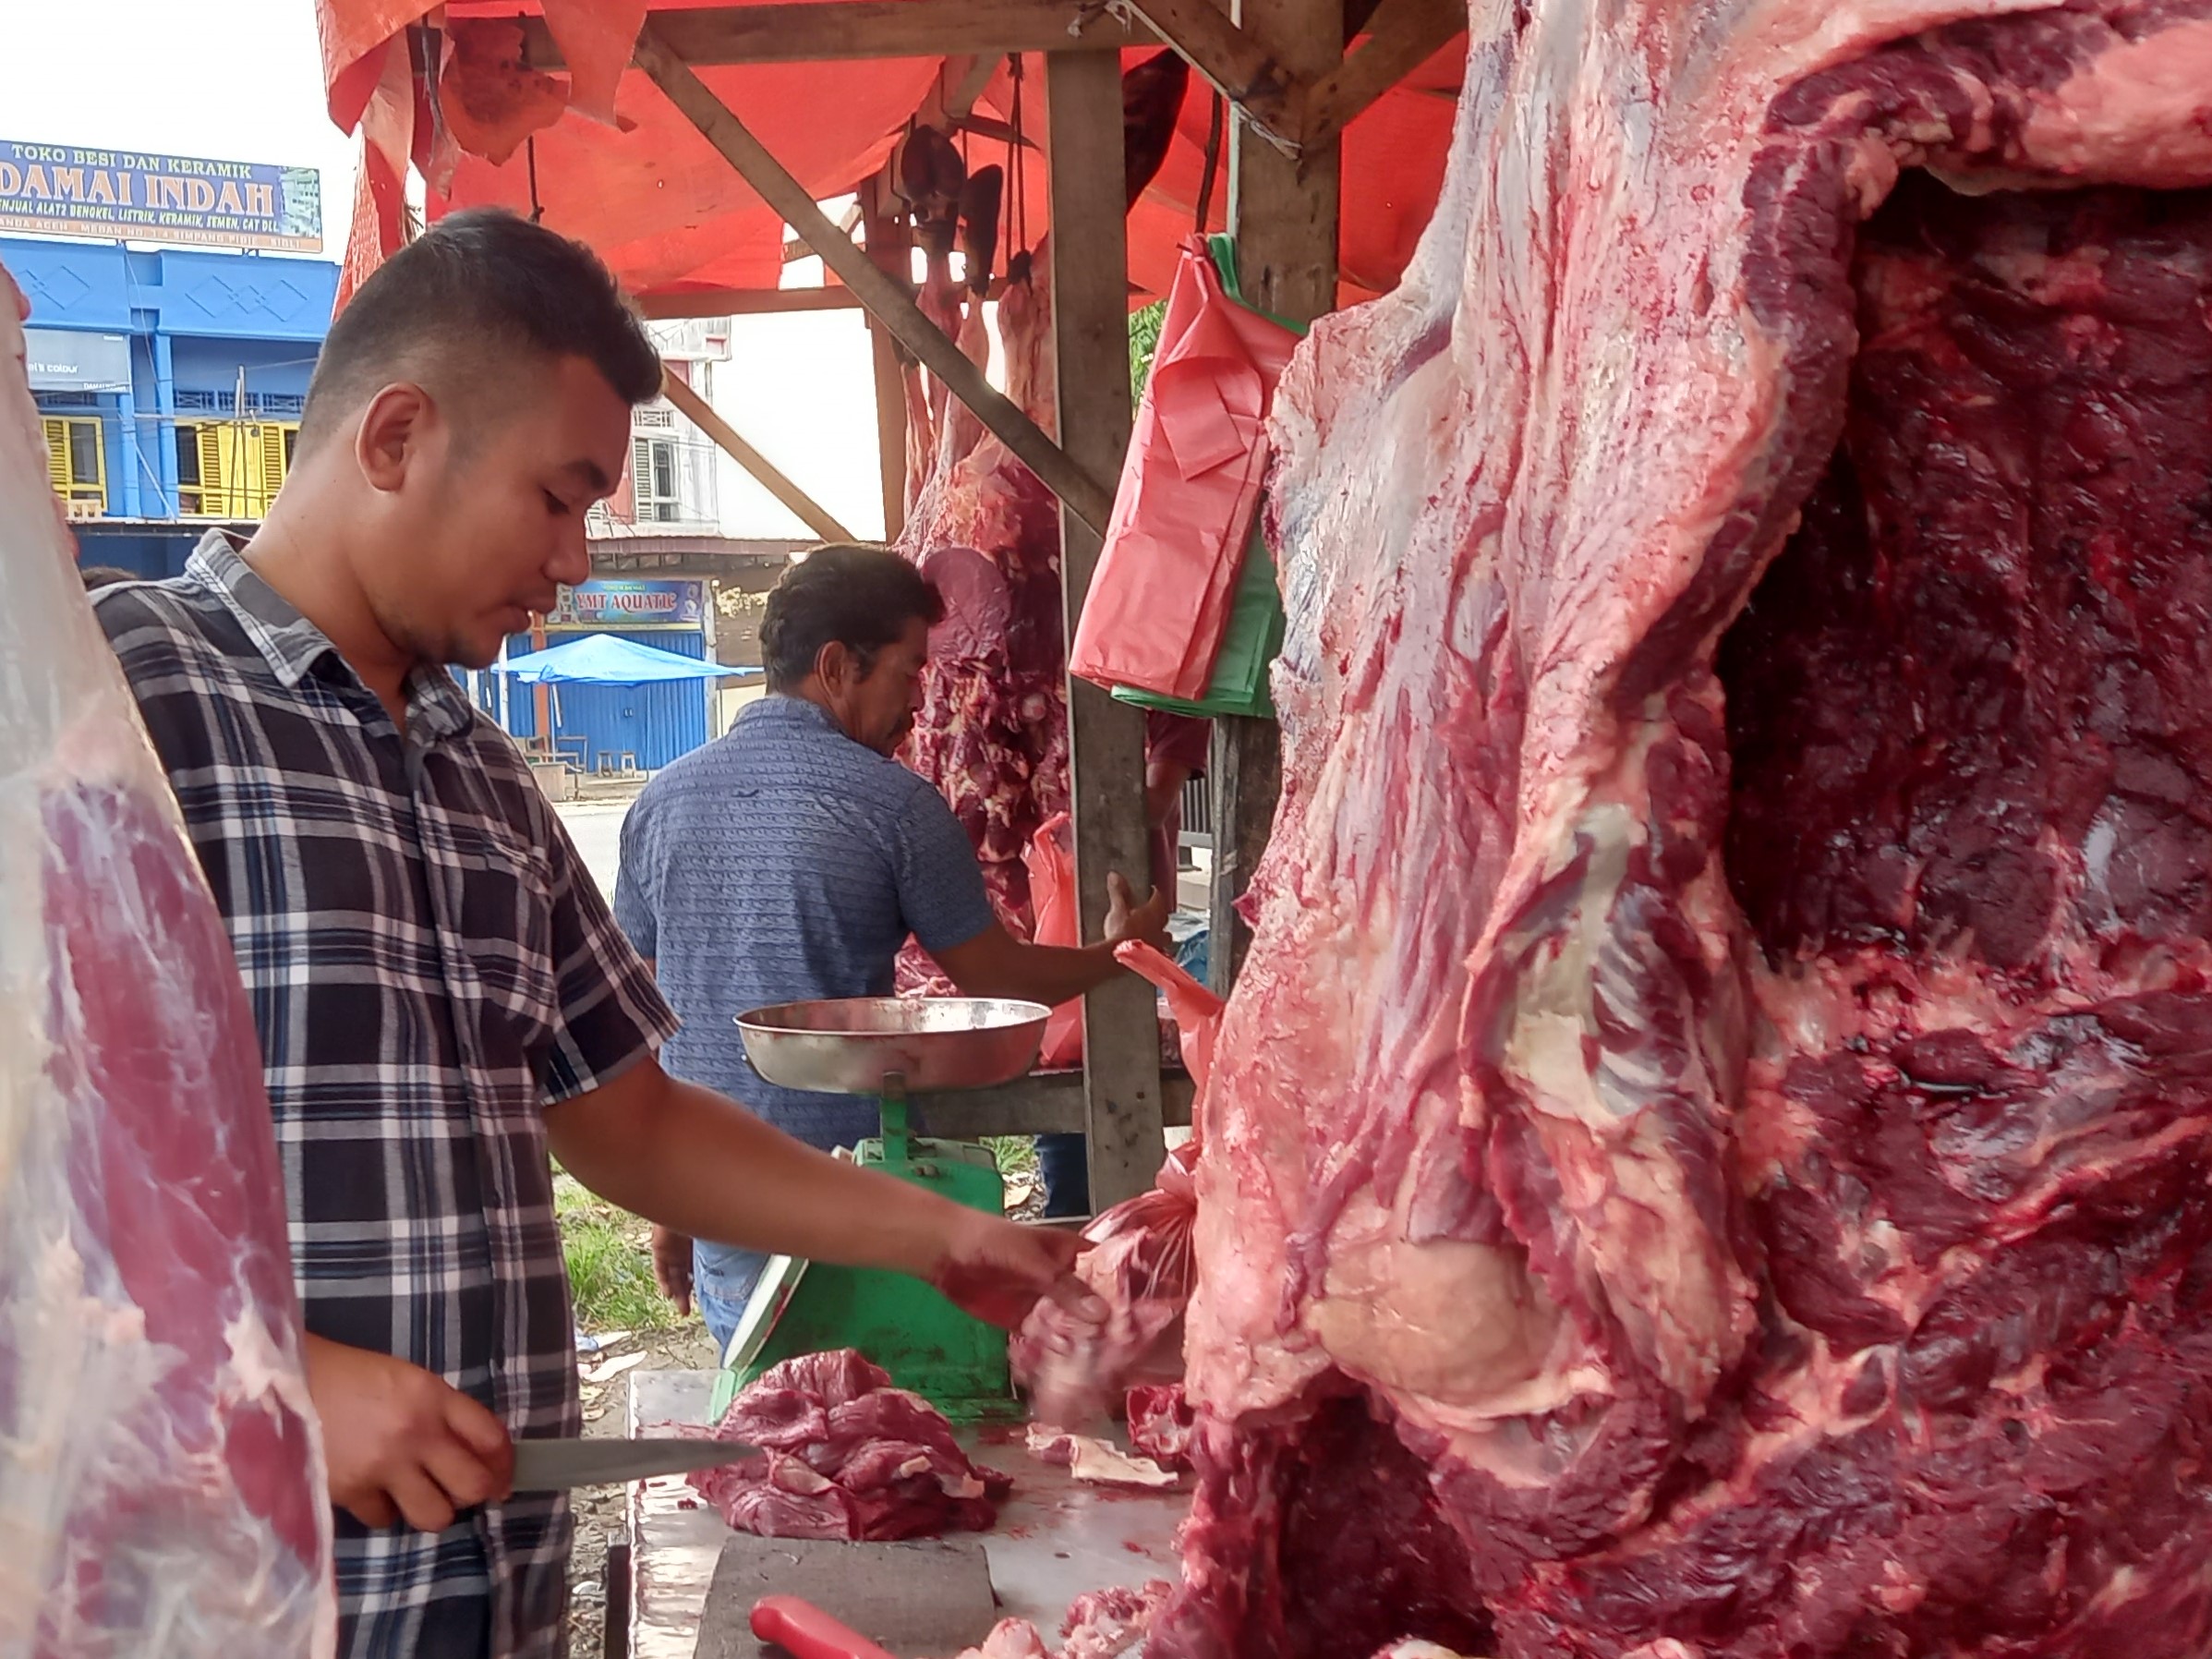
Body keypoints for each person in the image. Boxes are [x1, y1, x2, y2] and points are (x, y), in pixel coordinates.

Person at [91, 209, 1094, 1659]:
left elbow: (624, 1118)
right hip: (214, 1594)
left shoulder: (484, 775)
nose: (574, 556)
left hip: (483, 1592)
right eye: (556, 498)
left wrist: (942, 1236)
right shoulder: (121, 698)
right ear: (395, 437)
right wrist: (262, 1381)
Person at [615, 544, 1171, 1352]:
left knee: (770, 1424)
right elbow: (998, 979)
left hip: (711, 1181)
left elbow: (651, 1015)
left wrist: (673, 1200)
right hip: (847, 1190)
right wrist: (1120, 951)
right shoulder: (894, 805)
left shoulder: (657, 801)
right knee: (872, 1425)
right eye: (908, 673)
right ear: (837, 665)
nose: (917, 702)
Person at [1035, 708, 1209, 1218]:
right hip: (1055, 906)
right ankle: (1070, 1216)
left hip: (1134, 918)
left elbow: (1153, 804)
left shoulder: (1169, 697)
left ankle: (1127, 1220)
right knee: (1064, 1053)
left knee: (1119, 1060)